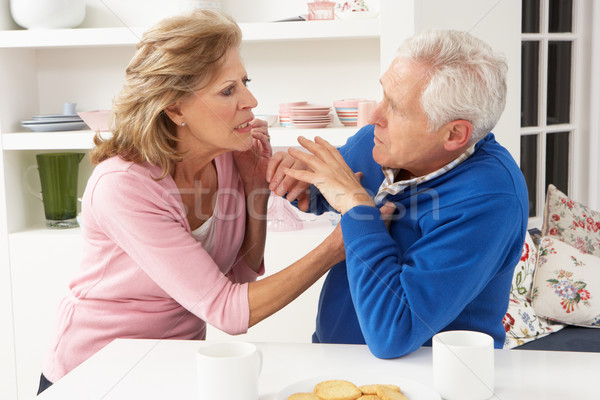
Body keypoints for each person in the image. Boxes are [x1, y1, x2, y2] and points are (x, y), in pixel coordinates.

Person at [39, 9, 345, 393]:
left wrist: (255, 187)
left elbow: (241, 274)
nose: (251, 100)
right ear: (175, 107)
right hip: (95, 375)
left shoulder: (228, 156)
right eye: (228, 90)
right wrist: (337, 246)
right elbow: (229, 311)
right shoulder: (124, 185)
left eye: (245, 82)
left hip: (172, 368)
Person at [267, 29, 528, 359]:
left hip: (432, 379)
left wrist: (357, 207)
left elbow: (395, 332)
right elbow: (327, 189)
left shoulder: (490, 200)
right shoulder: (376, 142)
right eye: (383, 95)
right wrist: (299, 179)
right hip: (333, 358)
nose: (374, 116)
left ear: (454, 134)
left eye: (396, 108)